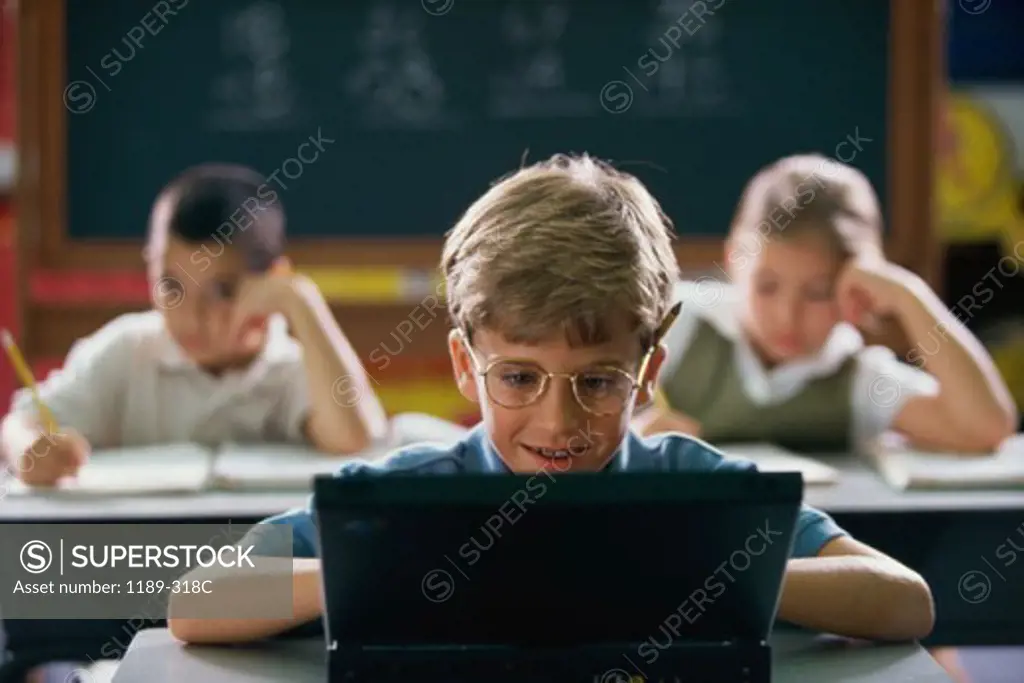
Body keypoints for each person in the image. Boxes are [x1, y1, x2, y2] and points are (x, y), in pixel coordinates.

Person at [166, 153, 934, 645]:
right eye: (520, 376)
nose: (559, 420)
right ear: (467, 367)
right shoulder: (404, 499)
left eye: (598, 380)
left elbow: (906, 603)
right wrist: (382, 566)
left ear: (648, 368)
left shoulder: (696, 493)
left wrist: (702, 569)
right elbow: (195, 603)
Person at [0, 163, 388, 485]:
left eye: (221, 291)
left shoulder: (291, 368)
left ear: (270, 282)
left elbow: (354, 440)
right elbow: (19, 424)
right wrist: (29, 452)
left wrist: (301, 300)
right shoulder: (126, 351)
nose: (190, 316)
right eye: (171, 287)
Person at [636, 154, 1017, 453]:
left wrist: (909, 295)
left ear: (856, 284)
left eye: (818, 293)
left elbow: (984, 428)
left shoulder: (858, 379)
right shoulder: (675, 323)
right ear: (735, 259)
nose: (788, 316)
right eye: (767, 287)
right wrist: (632, 432)